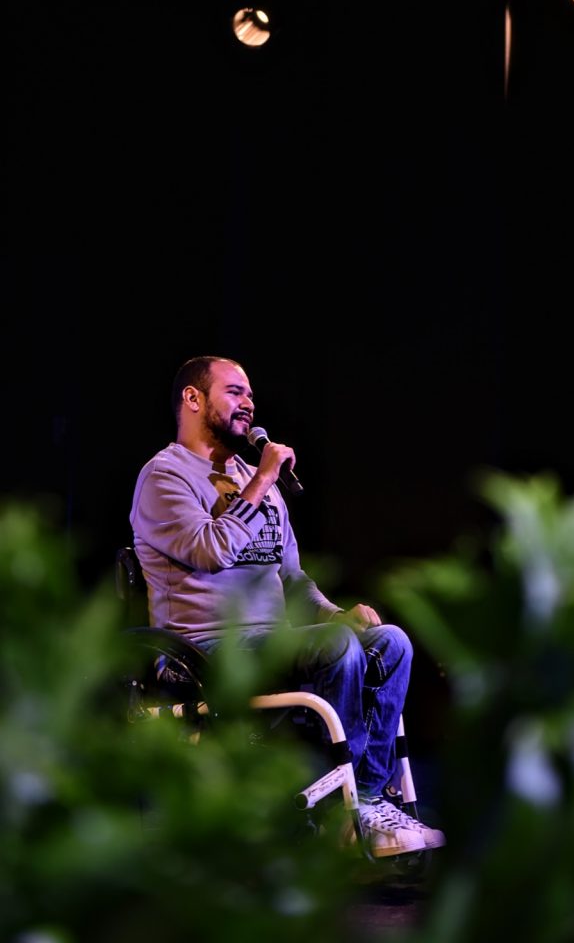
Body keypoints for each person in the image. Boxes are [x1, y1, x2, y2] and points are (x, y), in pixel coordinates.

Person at [130, 355, 445, 858]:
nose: (249, 403)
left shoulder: (256, 479)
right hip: (204, 653)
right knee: (337, 647)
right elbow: (210, 550)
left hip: (274, 644)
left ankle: (363, 803)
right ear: (192, 399)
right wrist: (261, 481)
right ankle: (340, 810)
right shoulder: (164, 477)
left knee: (390, 643)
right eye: (234, 392)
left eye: (251, 394)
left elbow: (293, 579)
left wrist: (335, 614)